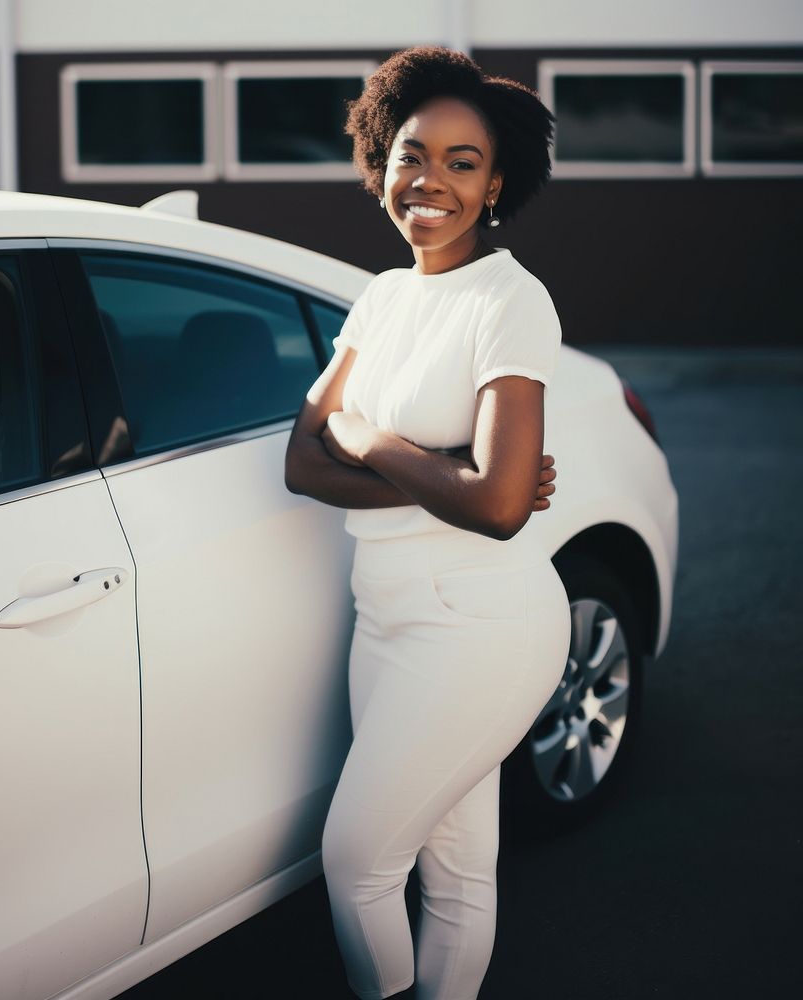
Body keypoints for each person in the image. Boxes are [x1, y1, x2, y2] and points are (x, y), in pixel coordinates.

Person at [284, 46, 571, 1000]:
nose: (430, 181)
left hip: (483, 624)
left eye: (462, 162)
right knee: (456, 872)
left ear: (496, 184)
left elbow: (494, 510)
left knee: (357, 860)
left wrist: (368, 438)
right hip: (388, 616)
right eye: (413, 154)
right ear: (380, 163)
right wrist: (444, 472)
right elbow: (301, 460)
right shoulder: (384, 294)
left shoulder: (510, 300)